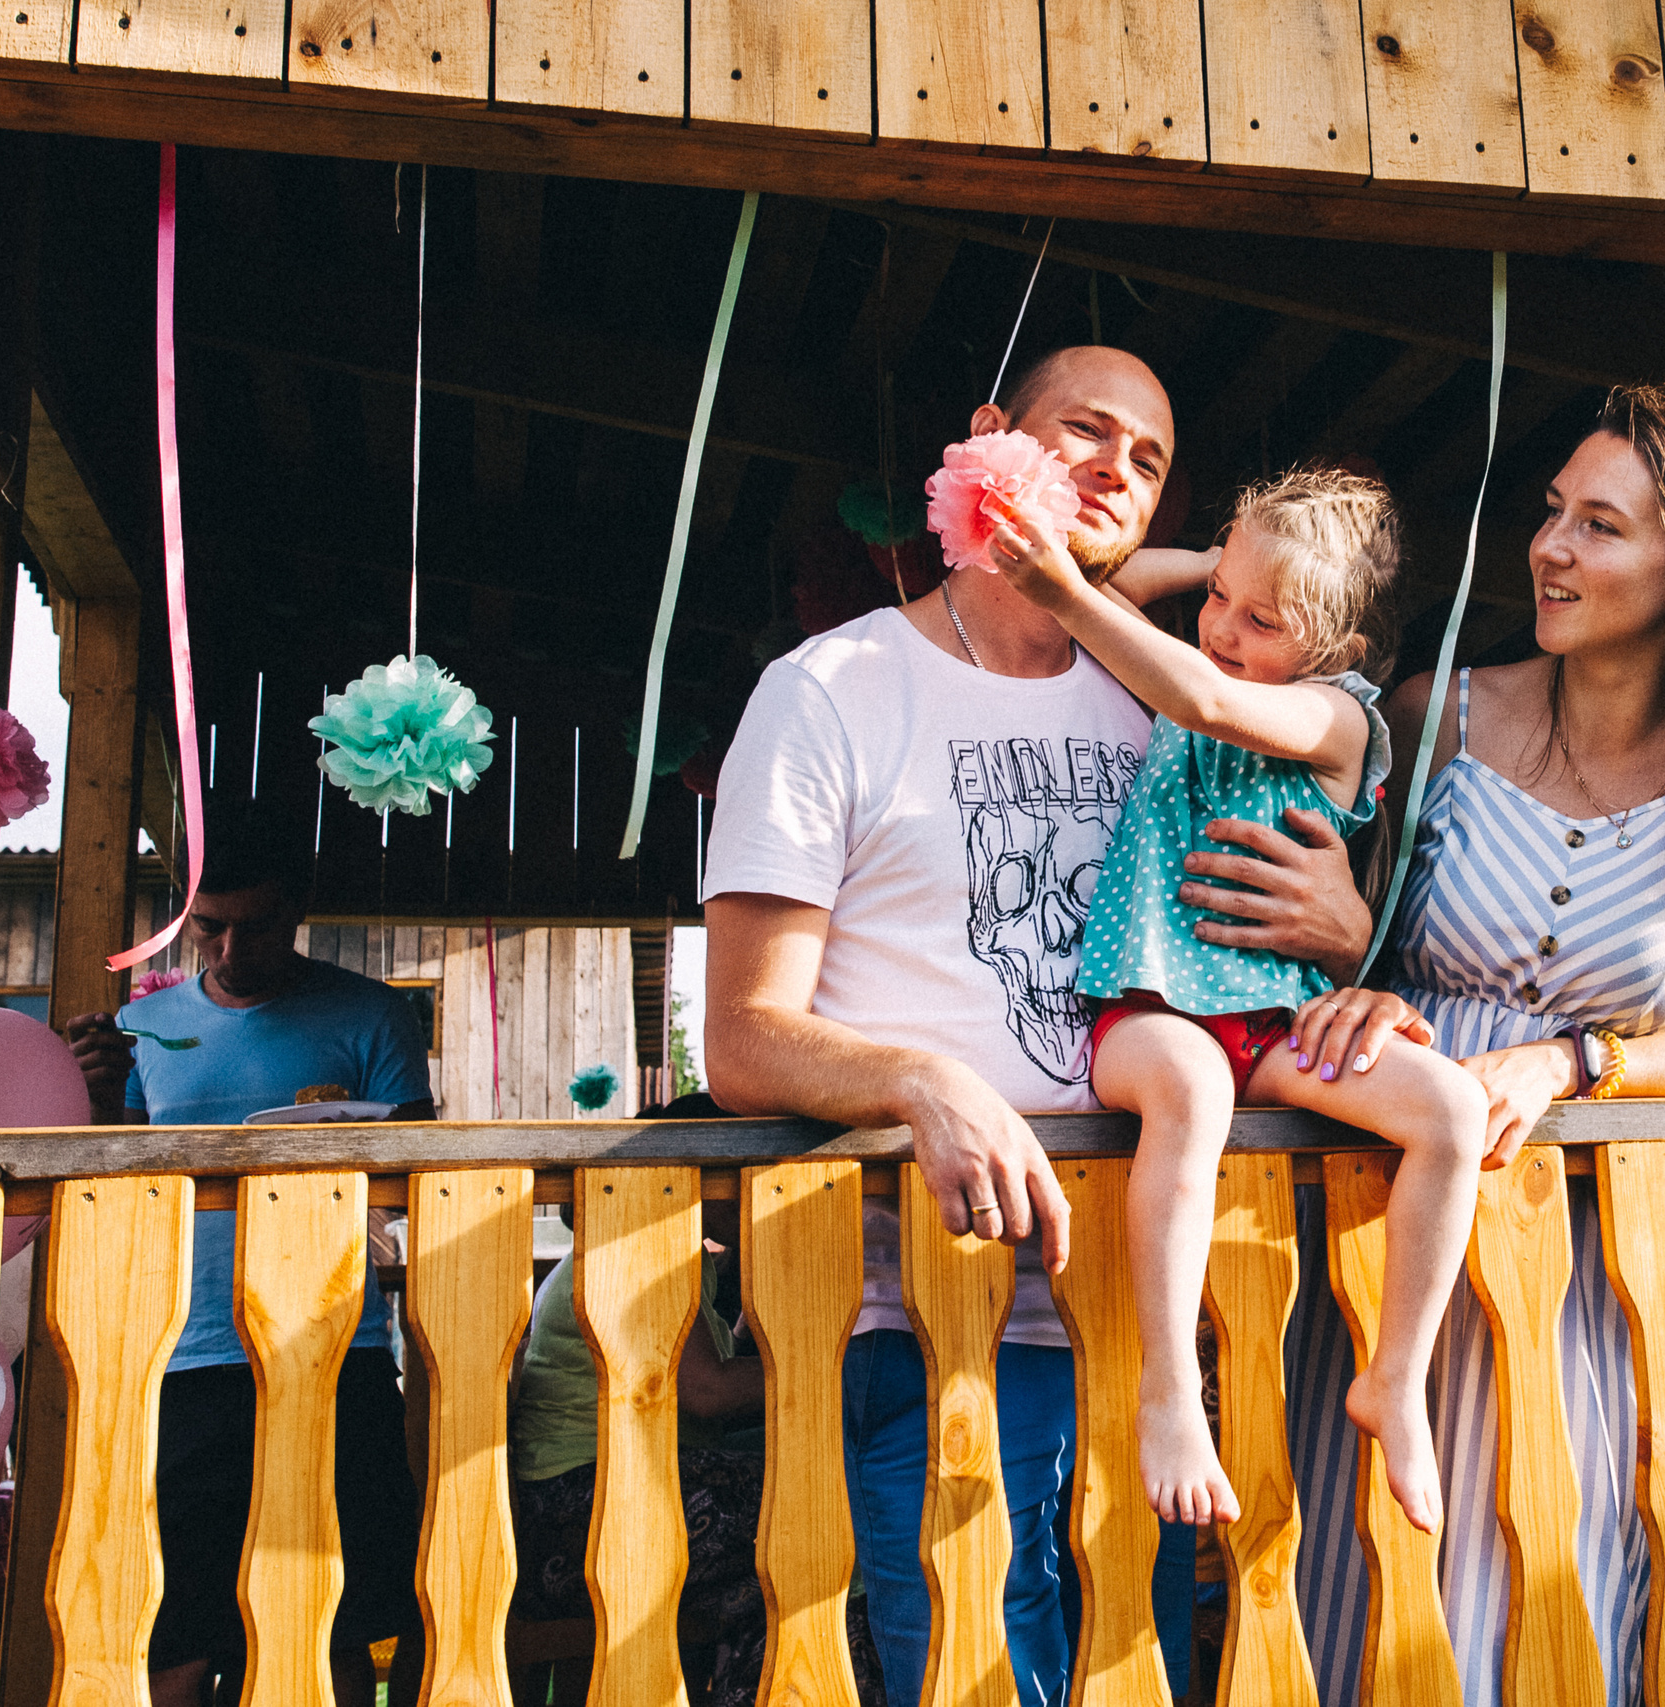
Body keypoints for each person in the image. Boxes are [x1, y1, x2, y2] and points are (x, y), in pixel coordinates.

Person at [700, 345, 1373, 1706]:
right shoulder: (832, 688)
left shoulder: (1172, 697)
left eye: (1150, 459)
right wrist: (924, 1081)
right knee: (971, 1667)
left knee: (1146, 1669)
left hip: (1148, 1314)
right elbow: (742, 1040)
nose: (1118, 469)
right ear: (991, 435)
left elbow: (1271, 946)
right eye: (1087, 431)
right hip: (923, 1305)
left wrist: (1351, 937)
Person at [1281, 381, 1665, 1705]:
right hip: (1383, 1227)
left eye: (1600, 525)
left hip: (1593, 1258)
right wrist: (1352, 972)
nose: (1549, 547)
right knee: (1351, 1590)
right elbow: (1329, 950)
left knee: (1557, 1584)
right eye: (1553, 512)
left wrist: (1576, 1061)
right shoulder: (1432, 714)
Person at [991, 466, 1488, 1533]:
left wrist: (1064, 589)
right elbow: (1124, 590)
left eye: (1262, 619)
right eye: (1217, 597)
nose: (1219, 627)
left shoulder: (1332, 717)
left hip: (1272, 1021)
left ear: (1338, 649)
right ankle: (1172, 1386)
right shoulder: (1195, 664)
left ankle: (1395, 1376)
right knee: (1190, 1088)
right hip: (1150, 1009)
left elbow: (1199, 693)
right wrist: (1228, 566)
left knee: (1450, 1109)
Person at [64, 812, 429, 1707]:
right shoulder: (143, 1028)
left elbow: (415, 1185)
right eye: (209, 927)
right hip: (187, 1355)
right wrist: (97, 1099)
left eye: (255, 926)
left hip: (333, 1348)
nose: (229, 950)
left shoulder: (374, 1014)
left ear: (298, 910)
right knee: (179, 1633)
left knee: (334, 1624)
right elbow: (120, 1194)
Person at [508, 1199, 767, 1705]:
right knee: (808, 1518)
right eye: (739, 1173)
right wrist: (825, 1364)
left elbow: (710, 1376)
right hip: (582, 1518)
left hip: (576, 1505)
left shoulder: (651, 1249)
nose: (751, 1191)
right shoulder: (646, 1246)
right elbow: (708, 1391)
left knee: (783, 1539)